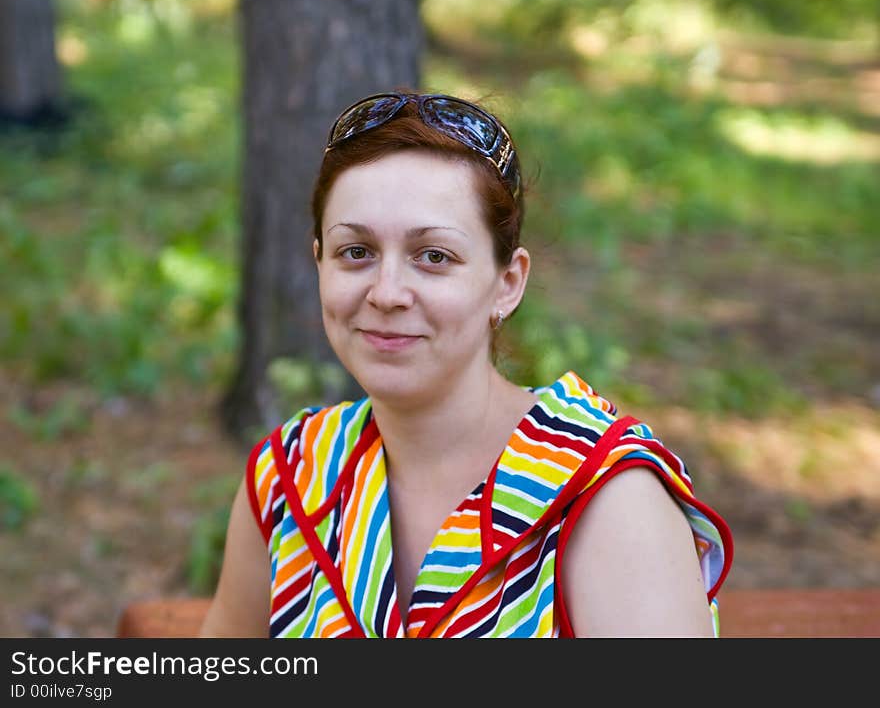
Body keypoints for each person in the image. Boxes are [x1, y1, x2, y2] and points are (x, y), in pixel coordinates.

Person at [199, 89, 733, 638]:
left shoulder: (604, 497)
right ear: (319, 263)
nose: (387, 293)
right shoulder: (293, 476)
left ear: (508, 283)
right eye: (355, 252)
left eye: (434, 256)